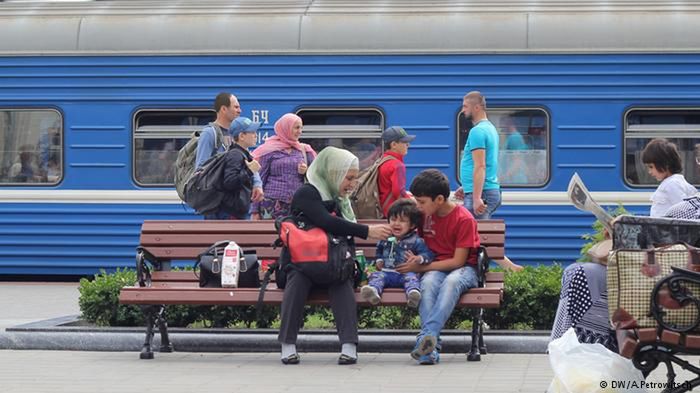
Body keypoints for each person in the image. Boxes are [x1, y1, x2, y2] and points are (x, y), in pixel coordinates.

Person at [278, 147, 391, 365]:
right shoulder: (307, 193)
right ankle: (288, 345)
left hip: (333, 262)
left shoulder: (340, 199)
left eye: (354, 178)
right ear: (333, 173)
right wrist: (368, 231)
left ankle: (349, 346)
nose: (351, 183)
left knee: (342, 280)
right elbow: (326, 221)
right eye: (348, 178)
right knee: (297, 279)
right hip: (304, 261)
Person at [396, 169, 480, 365]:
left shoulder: (464, 219)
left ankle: (427, 336)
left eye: (422, 202)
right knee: (429, 283)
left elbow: (458, 262)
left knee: (451, 282)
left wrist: (419, 269)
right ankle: (429, 351)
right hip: (433, 267)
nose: (417, 206)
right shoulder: (424, 215)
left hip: (464, 269)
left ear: (440, 199)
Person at [455, 92, 523, 272]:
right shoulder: (489, 128)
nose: (463, 111)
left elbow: (481, 166)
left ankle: (509, 269)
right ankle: (510, 268)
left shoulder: (477, 131)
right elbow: (485, 165)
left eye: (465, 106)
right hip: (483, 189)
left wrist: (476, 196)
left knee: (478, 238)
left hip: (482, 192)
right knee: (479, 236)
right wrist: (467, 186)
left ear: (477, 107)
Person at [196, 92, 263, 219]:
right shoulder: (210, 134)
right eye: (236, 107)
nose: (240, 110)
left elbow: (248, 162)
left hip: (236, 203)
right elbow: (201, 169)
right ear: (223, 109)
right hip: (218, 207)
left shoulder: (238, 137)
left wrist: (257, 184)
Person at [361, 199, 434, 308]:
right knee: (376, 276)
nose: (396, 224)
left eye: (402, 221)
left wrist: (418, 258)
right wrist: (379, 260)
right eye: (393, 219)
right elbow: (379, 250)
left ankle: (413, 294)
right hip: (386, 273)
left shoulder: (416, 240)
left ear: (412, 225)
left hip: (405, 273)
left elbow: (428, 255)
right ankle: (374, 292)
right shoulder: (385, 237)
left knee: (411, 278)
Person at [251, 113, 317, 220]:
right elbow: (259, 180)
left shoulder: (304, 150)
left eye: (301, 128)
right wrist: (254, 211)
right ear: (286, 128)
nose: (299, 131)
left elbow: (317, 176)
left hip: (297, 205)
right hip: (271, 205)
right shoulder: (269, 150)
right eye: (296, 127)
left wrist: (306, 171)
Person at [219, 117, 263, 220]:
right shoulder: (236, 155)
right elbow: (229, 182)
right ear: (242, 136)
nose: (255, 135)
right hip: (232, 213)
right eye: (252, 132)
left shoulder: (240, 153)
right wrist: (250, 171)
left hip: (235, 211)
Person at [641, 138, 697, 217]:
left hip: (665, 228)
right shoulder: (675, 182)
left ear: (665, 164)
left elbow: (683, 210)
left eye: (651, 167)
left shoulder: (671, 184)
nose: (649, 172)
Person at [376, 126, 415, 218]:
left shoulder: (383, 160)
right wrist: (415, 203)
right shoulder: (397, 165)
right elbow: (399, 194)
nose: (408, 145)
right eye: (405, 142)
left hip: (381, 209)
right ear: (393, 144)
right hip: (392, 213)